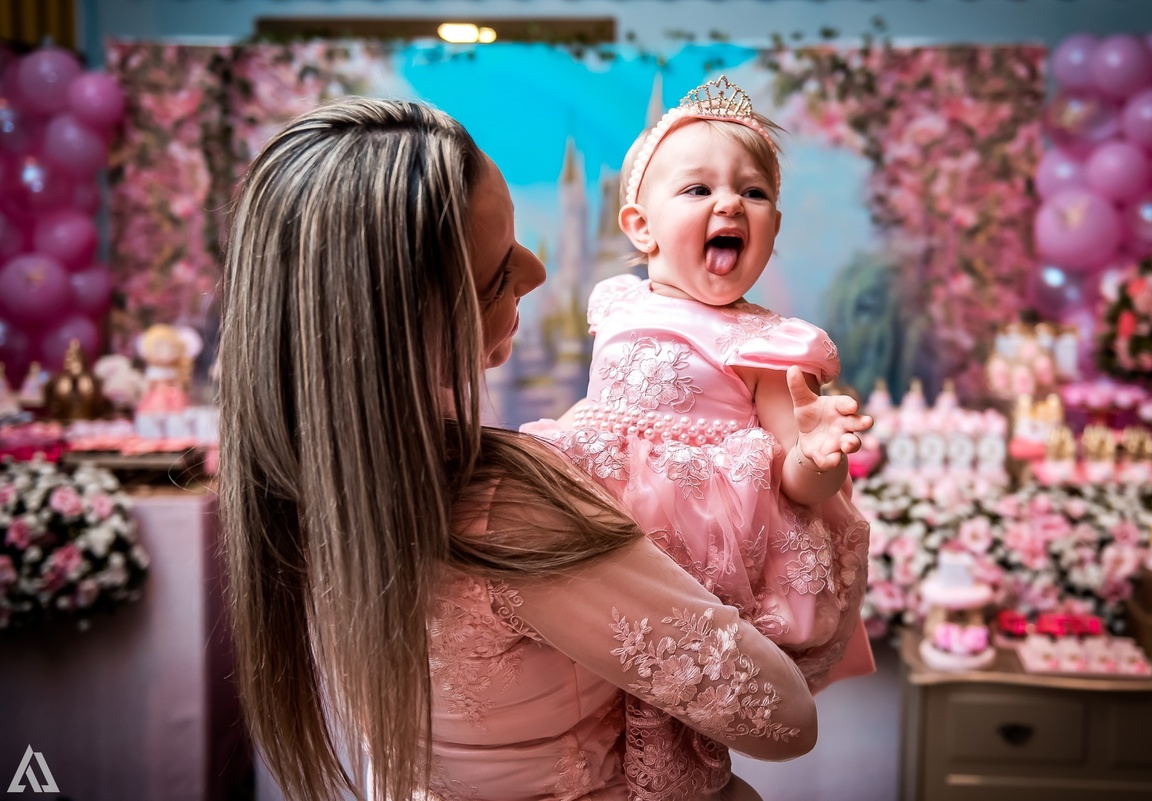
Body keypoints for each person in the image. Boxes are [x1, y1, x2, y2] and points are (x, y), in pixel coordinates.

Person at [218, 97, 823, 801]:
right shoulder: (516, 507)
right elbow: (783, 716)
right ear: (417, 325)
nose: (537, 273)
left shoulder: (301, 485)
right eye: (502, 269)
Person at [522, 77, 876, 801]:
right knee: (580, 678)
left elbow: (792, 478)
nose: (729, 204)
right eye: (698, 190)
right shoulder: (617, 299)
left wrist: (816, 457)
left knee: (672, 702)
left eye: (753, 192)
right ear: (640, 227)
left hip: (697, 551)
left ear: (771, 230)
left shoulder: (768, 342)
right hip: (602, 519)